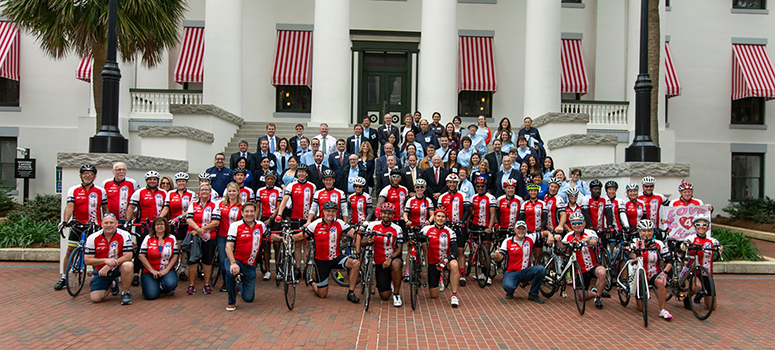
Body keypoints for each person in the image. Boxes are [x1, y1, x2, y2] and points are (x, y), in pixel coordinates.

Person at [290, 201, 361, 302]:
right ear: (323, 211)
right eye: (328, 211)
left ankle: (351, 292)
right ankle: (312, 282)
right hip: (321, 261)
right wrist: (290, 239)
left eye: (333, 211)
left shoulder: (340, 223)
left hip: (336, 258)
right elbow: (301, 236)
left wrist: (357, 253)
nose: (330, 214)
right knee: (322, 294)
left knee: (356, 263)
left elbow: (356, 235)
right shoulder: (316, 224)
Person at [56, 164, 109, 291]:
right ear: (80, 175)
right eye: (85, 173)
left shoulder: (100, 191)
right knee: (70, 251)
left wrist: (106, 221)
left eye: (90, 173)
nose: (87, 175)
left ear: (95, 176)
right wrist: (65, 221)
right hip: (78, 224)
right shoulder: (73, 190)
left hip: (94, 225)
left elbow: (105, 208)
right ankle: (64, 277)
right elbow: (70, 206)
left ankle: (103, 277)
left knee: (99, 252)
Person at [493, 220, 554, 303]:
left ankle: (533, 294)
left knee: (541, 269)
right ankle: (510, 291)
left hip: (525, 271)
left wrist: (550, 235)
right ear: (514, 230)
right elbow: (499, 257)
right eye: (518, 229)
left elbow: (544, 233)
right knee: (509, 287)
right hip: (511, 272)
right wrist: (497, 255)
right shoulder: (507, 241)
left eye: (523, 229)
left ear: (526, 230)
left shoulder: (530, 238)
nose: (521, 231)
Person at [626, 219, 674, 320]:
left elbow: (669, 261)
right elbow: (629, 253)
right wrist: (631, 252)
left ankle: (663, 310)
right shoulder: (635, 242)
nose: (647, 233)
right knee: (641, 308)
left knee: (661, 282)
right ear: (639, 232)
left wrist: (664, 273)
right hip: (639, 277)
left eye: (649, 231)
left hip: (653, 273)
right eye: (644, 231)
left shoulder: (659, 243)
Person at [224, 202, 268, 311]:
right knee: (230, 274)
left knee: (249, 298)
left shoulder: (260, 225)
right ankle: (231, 301)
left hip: (250, 265)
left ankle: (238, 283)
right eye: (247, 211)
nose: (249, 214)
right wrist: (233, 263)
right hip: (236, 260)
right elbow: (228, 247)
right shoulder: (235, 226)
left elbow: (270, 236)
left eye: (252, 211)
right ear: (242, 213)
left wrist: (282, 239)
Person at [126, 170, 166, 286]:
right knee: (141, 250)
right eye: (149, 179)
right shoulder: (139, 192)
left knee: (158, 249)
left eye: (154, 179)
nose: (152, 181)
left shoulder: (163, 193)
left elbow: (167, 208)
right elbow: (131, 207)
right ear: (146, 181)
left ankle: (158, 272)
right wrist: (128, 221)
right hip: (143, 225)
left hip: (159, 225)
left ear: (157, 181)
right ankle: (136, 274)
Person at [83, 213, 134, 304]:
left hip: (118, 267)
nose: (109, 225)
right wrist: (105, 261)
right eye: (106, 223)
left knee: (128, 265)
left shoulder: (125, 235)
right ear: (102, 224)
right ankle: (112, 284)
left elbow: (128, 256)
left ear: (116, 223)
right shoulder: (92, 237)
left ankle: (125, 292)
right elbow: (87, 260)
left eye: (111, 223)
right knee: (96, 298)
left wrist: (110, 265)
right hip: (101, 270)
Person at [562, 212, 608, 309]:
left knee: (602, 272)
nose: (577, 225)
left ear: (583, 223)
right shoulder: (568, 235)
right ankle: (595, 292)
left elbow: (594, 242)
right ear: (571, 224)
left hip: (592, 266)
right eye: (574, 223)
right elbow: (562, 248)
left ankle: (598, 297)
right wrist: (557, 240)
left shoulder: (590, 233)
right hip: (580, 270)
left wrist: (588, 241)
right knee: (582, 297)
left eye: (579, 223)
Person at [363, 203, 405, 307]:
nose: (386, 215)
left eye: (389, 214)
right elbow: (363, 242)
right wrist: (368, 240)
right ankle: (389, 281)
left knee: (396, 265)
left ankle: (396, 293)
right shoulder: (372, 225)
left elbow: (399, 249)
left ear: (393, 215)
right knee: (385, 296)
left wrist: (390, 259)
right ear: (380, 214)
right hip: (379, 261)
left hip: (393, 257)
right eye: (384, 213)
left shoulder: (397, 228)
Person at [277, 163, 316, 271]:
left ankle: (306, 269)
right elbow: (284, 200)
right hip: (295, 217)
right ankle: (298, 267)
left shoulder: (312, 186)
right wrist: (279, 214)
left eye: (303, 172)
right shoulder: (291, 185)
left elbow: (315, 203)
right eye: (299, 172)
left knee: (306, 244)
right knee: (297, 244)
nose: (301, 174)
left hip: (307, 219)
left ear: (307, 174)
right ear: (297, 173)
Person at [185, 183, 221, 295]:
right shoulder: (193, 204)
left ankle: (207, 285)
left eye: (207, 190)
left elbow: (216, 222)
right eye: (202, 190)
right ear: (199, 193)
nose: (204, 191)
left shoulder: (215, 205)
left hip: (209, 237)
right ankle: (191, 285)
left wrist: (201, 229)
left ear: (210, 193)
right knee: (193, 261)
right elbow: (189, 219)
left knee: (207, 261)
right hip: (194, 236)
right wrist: (198, 229)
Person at [682, 214, 723, 311]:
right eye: (698, 224)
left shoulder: (712, 240)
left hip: (707, 272)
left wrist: (719, 249)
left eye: (704, 225)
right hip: (693, 271)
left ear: (707, 227)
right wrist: (685, 245)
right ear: (695, 226)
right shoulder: (691, 238)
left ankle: (700, 295)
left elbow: (718, 246)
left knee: (712, 307)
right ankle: (687, 299)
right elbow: (685, 243)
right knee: (697, 286)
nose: (701, 227)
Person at [421, 208, 461, 306]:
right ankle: (439, 278)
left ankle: (454, 295)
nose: (440, 218)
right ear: (434, 217)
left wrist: (446, 261)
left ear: (446, 219)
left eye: (443, 217)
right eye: (438, 216)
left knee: (455, 264)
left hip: (446, 261)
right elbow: (417, 238)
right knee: (434, 295)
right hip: (433, 262)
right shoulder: (427, 229)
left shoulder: (450, 231)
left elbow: (456, 252)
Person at [437, 174, 471, 286]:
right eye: (450, 182)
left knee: (460, 251)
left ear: (457, 183)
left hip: (459, 227)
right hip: (446, 227)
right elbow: (439, 212)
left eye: (454, 182)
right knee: (445, 251)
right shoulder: (442, 196)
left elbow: (467, 210)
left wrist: (461, 221)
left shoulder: (463, 195)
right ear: (447, 183)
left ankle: (461, 275)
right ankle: (444, 274)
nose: (452, 184)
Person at [161, 172, 195, 281]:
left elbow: (191, 209)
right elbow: (166, 208)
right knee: (176, 247)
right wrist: (160, 218)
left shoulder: (191, 193)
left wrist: (180, 216)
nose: (181, 183)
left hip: (186, 224)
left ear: (186, 182)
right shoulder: (170, 193)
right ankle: (174, 268)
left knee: (184, 247)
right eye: (179, 181)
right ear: (176, 183)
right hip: (174, 224)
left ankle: (183, 271)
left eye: (183, 181)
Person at [138, 217, 179, 300]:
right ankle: (152, 286)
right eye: (157, 225)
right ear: (153, 227)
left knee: (170, 284)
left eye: (161, 224)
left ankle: (165, 287)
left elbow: (175, 255)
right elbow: (141, 256)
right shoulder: (148, 238)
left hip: (166, 269)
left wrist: (167, 270)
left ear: (166, 226)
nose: (159, 226)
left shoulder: (172, 238)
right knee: (151, 296)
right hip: (150, 271)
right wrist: (152, 270)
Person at [468, 177, 497, 284]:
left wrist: (490, 227)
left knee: (487, 251)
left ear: (486, 186)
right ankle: (483, 272)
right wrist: (467, 227)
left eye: (482, 186)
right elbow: (470, 214)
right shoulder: (473, 198)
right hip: (475, 226)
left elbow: (493, 214)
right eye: (478, 186)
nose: (480, 188)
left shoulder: (491, 197)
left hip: (486, 227)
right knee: (479, 251)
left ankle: (488, 274)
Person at [216, 182, 243, 290]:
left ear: (238, 192)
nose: (232, 193)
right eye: (230, 191)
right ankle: (225, 282)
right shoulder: (220, 204)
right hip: (222, 235)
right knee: (223, 261)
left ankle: (237, 282)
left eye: (234, 191)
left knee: (235, 260)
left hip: (237, 237)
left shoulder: (242, 206)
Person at [256, 170, 282, 280]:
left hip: (275, 219)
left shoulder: (279, 190)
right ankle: (267, 270)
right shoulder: (260, 191)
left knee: (276, 245)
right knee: (265, 245)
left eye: (272, 179)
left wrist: (271, 219)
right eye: (268, 179)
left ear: (275, 180)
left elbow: (279, 206)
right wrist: (256, 220)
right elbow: (258, 207)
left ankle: (278, 269)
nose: (270, 181)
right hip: (263, 218)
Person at [519, 183, 548, 262]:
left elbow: (545, 219)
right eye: (531, 191)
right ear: (528, 192)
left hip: (538, 232)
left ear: (537, 192)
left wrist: (540, 227)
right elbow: (521, 219)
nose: (533, 192)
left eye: (535, 191)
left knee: (537, 255)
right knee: (525, 254)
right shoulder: (525, 204)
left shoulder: (542, 204)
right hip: (527, 232)